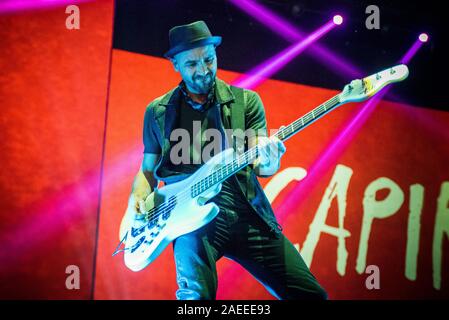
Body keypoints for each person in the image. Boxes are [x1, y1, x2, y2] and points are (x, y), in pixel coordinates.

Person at [129, 20, 327, 300]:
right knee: (195, 300)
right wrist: (137, 197)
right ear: (175, 64)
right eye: (192, 64)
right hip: (189, 219)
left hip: (246, 214)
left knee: (311, 296)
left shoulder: (246, 102)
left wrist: (271, 159)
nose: (203, 70)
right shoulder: (158, 111)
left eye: (209, 60)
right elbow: (147, 171)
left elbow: (263, 166)